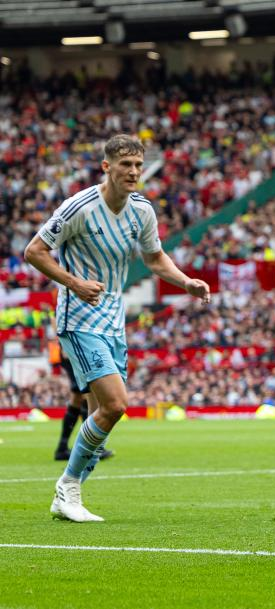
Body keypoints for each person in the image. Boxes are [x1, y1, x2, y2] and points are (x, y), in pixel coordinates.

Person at [24, 134, 211, 522]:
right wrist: (74, 283)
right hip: (78, 316)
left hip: (114, 320)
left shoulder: (142, 210)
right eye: (126, 164)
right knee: (116, 405)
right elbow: (34, 251)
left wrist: (186, 282)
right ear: (106, 167)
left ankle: (69, 495)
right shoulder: (79, 207)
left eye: (139, 165)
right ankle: (67, 488)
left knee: (102, 417)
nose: (134, 171)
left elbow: (155, 258)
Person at [53, 355, 115, 463]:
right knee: (87, 394)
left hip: (75, 355)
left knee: (78, 397)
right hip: (74, 355)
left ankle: (63, 448)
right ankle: (91, 447)